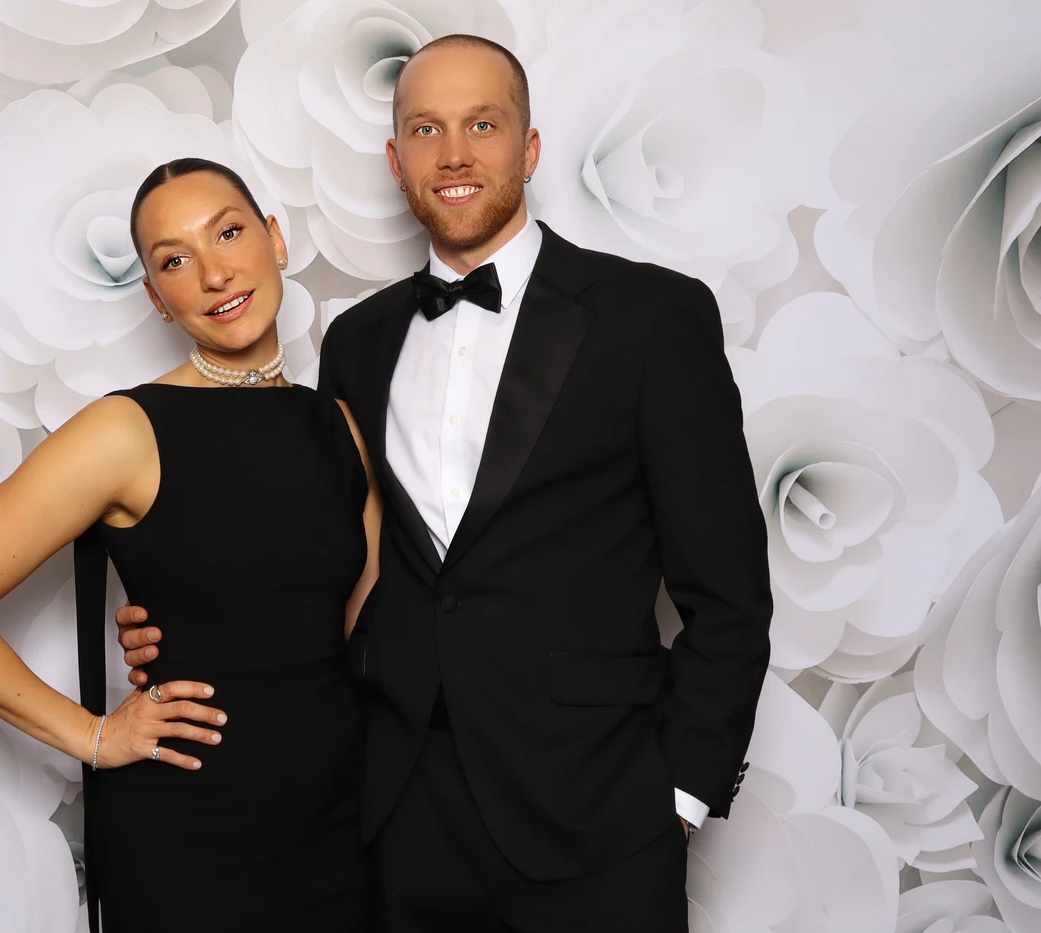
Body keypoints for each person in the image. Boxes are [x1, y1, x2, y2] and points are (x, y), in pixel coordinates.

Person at [114, 35, 773, 933]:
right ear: (397, 162)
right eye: (426, 129)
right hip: (400, 817)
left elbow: (728, 592)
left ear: (529, 149)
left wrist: (680, 799)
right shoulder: (357, 342)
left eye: (482, 125)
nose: (454, 154)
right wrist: (191, 614)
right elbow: (328, 555)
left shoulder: (652, 316)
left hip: (601, 816)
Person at [0, 157, 382, 933]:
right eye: (175, 260)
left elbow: (363, 628)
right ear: (156, 297)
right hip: (193, 837)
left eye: (229, 233)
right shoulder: (126, 430)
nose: (215, 273)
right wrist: (93, 734)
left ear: (275, 239)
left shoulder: (340, 428)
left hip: (339, 825)